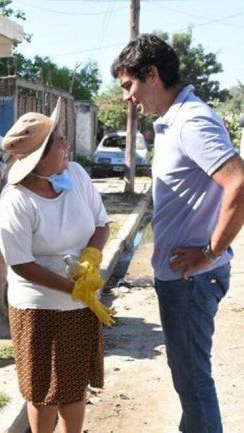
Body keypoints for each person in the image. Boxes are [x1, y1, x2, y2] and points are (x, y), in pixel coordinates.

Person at [112, 34, 244, 433]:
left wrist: (209, 252)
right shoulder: (175, 120)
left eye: (128, 86)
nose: (126, 98)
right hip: (183, 279)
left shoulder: (191, 120)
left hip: (191, 280)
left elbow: (238, 182)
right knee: (188, 380)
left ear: (152, 74)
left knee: (193, 383)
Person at [0, 98, 112, 433]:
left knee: (73, 387)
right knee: (42, 391)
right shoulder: (16, 201)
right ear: (40, 158)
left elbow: (101, 224)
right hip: (37, 309)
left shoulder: (74, 173)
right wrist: (73, 288)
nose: (66, 144)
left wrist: (91, 258)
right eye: (60, 140)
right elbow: (21, 265)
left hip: (78, 305)